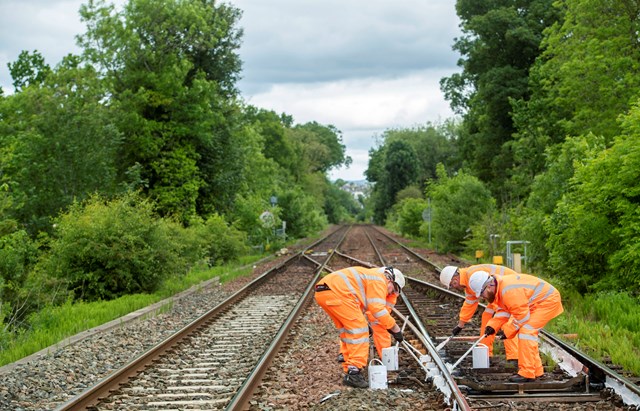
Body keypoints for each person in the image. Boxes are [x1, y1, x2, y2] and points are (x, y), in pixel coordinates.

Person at [314, 266, 405, 388]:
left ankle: (349, 367)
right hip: (338, 293)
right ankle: (354, 372)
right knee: (360, 331)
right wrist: (394, 328)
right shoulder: (379, 281)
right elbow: (377, 309)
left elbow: (374, 316)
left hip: (323, 291)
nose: (390, 293)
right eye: (393, 289)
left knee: (347, 331)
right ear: (390, 279)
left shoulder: (371, 278)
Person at [468, 270, 564, 383]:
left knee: (526, 332)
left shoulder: (508, 291)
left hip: (547, 301)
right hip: (537, 303)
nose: (483, 297)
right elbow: (504, 311)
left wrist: (508, 331)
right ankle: (537, 371)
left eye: (482, 294)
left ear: (488, 286)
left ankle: (527, 372)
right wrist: (492, 326)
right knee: (527, 333)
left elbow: (522, 317)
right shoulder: (500, 290)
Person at [439, 264, 519, 361]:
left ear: (455, 278)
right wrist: (460, 325)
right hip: (499, 291)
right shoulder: (468, 284)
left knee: (504, 319)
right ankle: (485, 352)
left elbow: (494, 299)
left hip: (511, 287)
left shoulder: (473, 276)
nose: (454, 287)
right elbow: (469, 304)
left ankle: (514, 356)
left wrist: (498, 315)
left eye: (452, 285)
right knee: (487, 315)